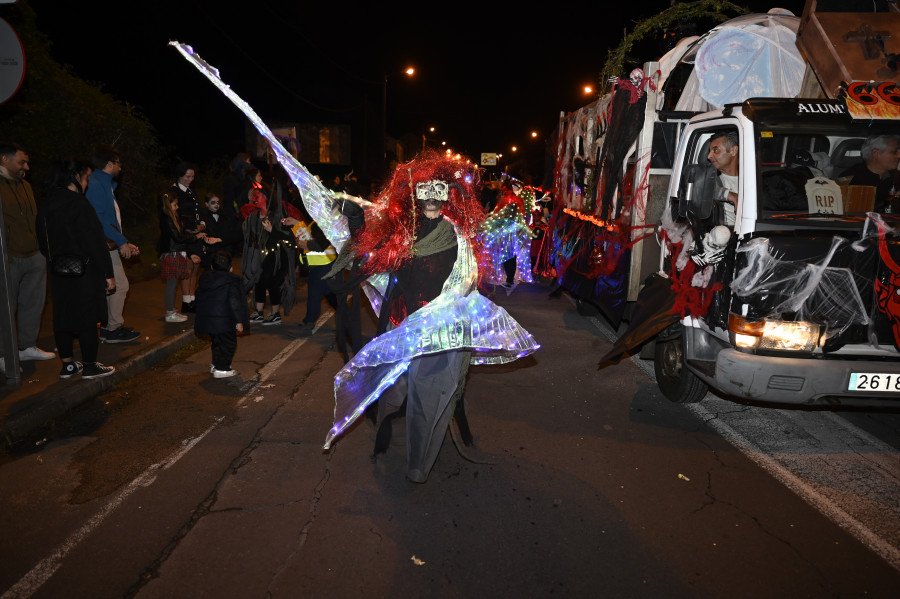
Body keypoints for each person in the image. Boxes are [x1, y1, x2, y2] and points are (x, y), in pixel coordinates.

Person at [321, 151, 540, 483]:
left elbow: (467, 279)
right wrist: (355, 225)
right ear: (413, 194)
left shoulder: (459, 238)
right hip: (404, 326)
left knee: (428, 393)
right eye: (425, 189)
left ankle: (418, 462)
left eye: (438, 189)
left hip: (440, 329)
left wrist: (449, 307)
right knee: (391, 389)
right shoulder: (401, 234)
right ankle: (389, 436)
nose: (432, 197)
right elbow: (370, 256)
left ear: (448, 194)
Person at [36, 159, 116, 379]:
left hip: (58, 268)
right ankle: (90, 365)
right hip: (84, 269)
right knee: (87, 318)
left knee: (62, 315)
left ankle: (68, 365)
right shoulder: (79, 203)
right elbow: (95, 241)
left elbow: (42, 238)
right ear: (74, 177)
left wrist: (54, 259)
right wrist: (107, 273)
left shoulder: (46, 202)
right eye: (86, 177)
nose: (87, 182)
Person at [0, 141, 55, 374]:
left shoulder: (26, 186)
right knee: (5, 307)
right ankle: (5, 354)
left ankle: (26, 346)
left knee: (33, 303)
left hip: (34, 254)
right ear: (4, 159)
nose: (27, 166)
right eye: (22, 161)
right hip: (9, 257)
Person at [85, 144, 141, 343]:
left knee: (111, 286)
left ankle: (110, 327)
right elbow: (99, 218)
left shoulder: (105, 184)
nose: (121, 167)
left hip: (108, 243)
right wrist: (120, 241)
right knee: (120, 285)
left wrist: (124, 241)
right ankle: (112, 328)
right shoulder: (97, 183)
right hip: (102, 245)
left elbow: (110, 217)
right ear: (109, 164)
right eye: (118, 163)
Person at [241, 168, 300, 325]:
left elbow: (288, 237)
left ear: (266, 198)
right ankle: (259, 312)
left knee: (273, 282)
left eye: (257, 196)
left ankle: (275, 315)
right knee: (259, 280)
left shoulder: (278, 215)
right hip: (264, 254)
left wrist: (272, 230)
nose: (254, 199)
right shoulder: (254, 216)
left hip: (280, 255)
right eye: (254, 196)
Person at [283, 212, 338, 336]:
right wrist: (296, 223)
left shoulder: (326, 221)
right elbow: (308, 234)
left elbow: (322, 242)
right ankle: (347, 321)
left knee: (314, 295)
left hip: (323, 264)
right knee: (329, 294)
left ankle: (308, 324)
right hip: (321, 264)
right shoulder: (319, 220)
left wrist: (305, 245)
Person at [194, 251, 248, 378]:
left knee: (217, 343)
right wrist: (239, 321)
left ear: (212, 267)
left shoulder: (205, 278)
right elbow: (234, 302)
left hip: (210, 320)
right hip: (225, 320)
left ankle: (216, 365)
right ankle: (222, 369)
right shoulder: (232, 282)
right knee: (228, 344)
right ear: (231, 268)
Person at [157, 191, 205, 322]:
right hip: (172, 253)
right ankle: (170, 313)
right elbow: (177, 237)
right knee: (171, 284)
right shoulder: (166, 218)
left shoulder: (172, 217)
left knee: (173, 283)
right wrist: (194, 238)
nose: (177, 207)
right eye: (175, 205)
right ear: (168, 205)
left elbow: (180, 235)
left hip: (175, 252)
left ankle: (171, 311)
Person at [172, 162, 205, 313]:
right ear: (180, 175)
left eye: (192, 176)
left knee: (196, 266)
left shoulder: (192, 192)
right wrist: (188, 230)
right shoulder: (173, 191)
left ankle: (192, 298)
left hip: (196, 232)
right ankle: (186, 301)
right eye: (187, 176)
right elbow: (174, 215)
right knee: (188, 266)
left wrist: (201, 225)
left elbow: (198, 211)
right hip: (185, 233)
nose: (190, 179)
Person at [840, 134, 900, 212]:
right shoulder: (851, 179)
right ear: (876, 154)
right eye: (894, 152)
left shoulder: (894, 178)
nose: (899, 156)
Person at [706, 131, 740, 227]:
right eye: (710, 151)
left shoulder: (751, 180)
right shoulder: (711, 180)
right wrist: (729, 195)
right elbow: (701, 190)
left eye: (715, 150)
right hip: (726, 236)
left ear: (733, 151)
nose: (709, 156)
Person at [199, 192, 242, 259]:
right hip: (209, 252)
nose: (216, 204)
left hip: (224, 251)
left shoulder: (224, 215)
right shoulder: (202, 216)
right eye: (213, 203)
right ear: (206, 204)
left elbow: (230, 233)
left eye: (218, 202)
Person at [222, 152, 251, 219]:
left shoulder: (241, 177)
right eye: (248, 161)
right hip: (234, 212)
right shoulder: (233, 178)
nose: (249, 163)